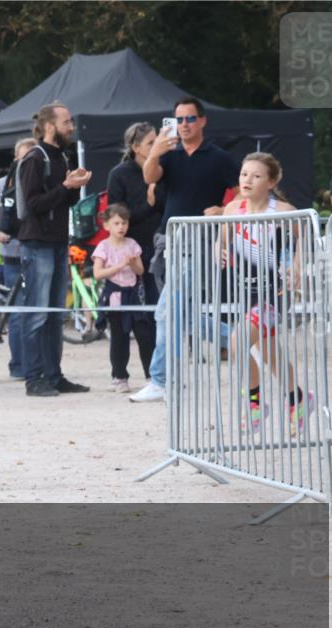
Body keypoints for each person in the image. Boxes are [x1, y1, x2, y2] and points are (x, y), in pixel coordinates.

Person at [131, 97, 240, 403]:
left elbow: (244, 189)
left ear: (203, 121)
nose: (184, 125)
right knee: (183, 314)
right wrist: (154, 152)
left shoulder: (218, 157)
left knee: (167, 310)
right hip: (169, 240)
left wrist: (223, 209)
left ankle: (162, 379)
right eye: (179, 120)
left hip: (199, 239)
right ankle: (242, 341)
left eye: (190, 119)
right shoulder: (169, 153)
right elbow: (149, 177)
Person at [217, 152, 313, 434]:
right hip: (246, 290)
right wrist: (219, 252)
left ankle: (255, 404)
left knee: (237, 341)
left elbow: (305, 234)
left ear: (271, 182)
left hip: (275, 292)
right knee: (270, 353)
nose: (247, 180)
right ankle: (298, 399)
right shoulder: (233, 209)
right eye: (244, 174)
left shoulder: (281, 210)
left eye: (256, 176)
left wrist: (297, 264)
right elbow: (220, 240)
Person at [17, 102, 92, 397]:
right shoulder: (35, 158)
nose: (71, 126)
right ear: (50, 126)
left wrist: (73, 187)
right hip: (37, 244)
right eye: (66, 122)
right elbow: (34, 203)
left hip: (59, 243)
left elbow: (64, 202)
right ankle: (33, 377)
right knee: (37, 313)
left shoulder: (61, 155)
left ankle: (54, 375)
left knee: (55, 313)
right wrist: (66, 185)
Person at [0, 137, 39, 380]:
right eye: (23, 156)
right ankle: (18, 365)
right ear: (16, 157)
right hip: (13, 255)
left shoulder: (42, 180)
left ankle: (37, 365)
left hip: (38, 253)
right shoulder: (2, 183)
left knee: (39, 311)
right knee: (18, 311)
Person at [91, 204, 155, 393]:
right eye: (116, 223)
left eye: (124, 223)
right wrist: (120, 265)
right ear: (107, 225)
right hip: (115, 296)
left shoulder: (132, 244)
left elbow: (141, 271)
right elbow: (98, 274)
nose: (121, 227)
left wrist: (134, 263)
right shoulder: (103, 247)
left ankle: (151, 376)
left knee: (144, 335)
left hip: (134, 295)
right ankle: (119, 377)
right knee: (119, 337)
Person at [106, 122, 165, 301]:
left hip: (163, 243)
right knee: (138, 306)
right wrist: (149, 204)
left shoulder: (164, 169)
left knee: (160, 300)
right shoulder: (119, 174)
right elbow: (116, 217)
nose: (156, 146)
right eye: (151, 143)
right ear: (136, 147)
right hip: (133, 249)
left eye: (157, 141)